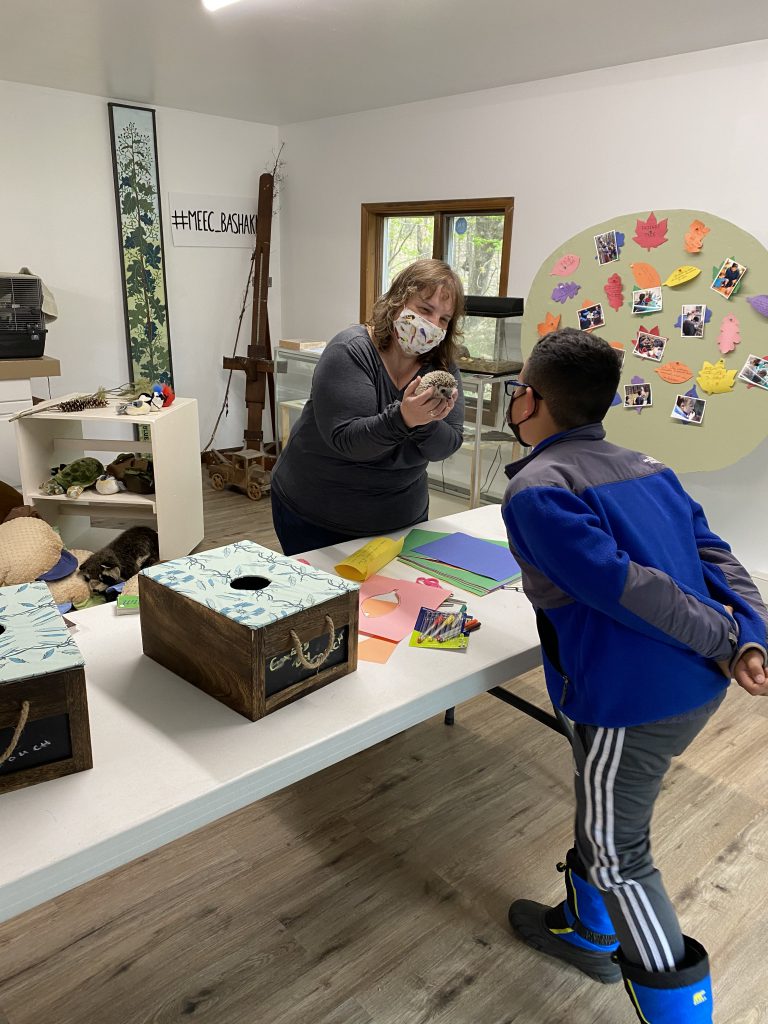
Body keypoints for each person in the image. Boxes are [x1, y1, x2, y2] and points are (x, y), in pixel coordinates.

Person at [502, 328, 768, 1023]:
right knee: (605, 808)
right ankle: (587, 930)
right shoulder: (647, 463)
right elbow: (717, 555)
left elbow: (627, 587)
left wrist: (729, 635)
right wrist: (752, 633)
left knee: (620, 854)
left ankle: (674, 1008)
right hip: (685, 684)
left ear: (529, 401)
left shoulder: (536, 489)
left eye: (516, 389)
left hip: (631, 699)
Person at [270, 259, 465, 555]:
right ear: (398, 302)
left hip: (401, 521)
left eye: (444, 319)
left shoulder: (441, 366)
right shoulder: (350, 350)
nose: (433, 325)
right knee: (328, 601)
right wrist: (404, 418)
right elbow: (350, 442)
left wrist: (425, 421)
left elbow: (446, 445)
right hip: (316, 516)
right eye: (425, 310)